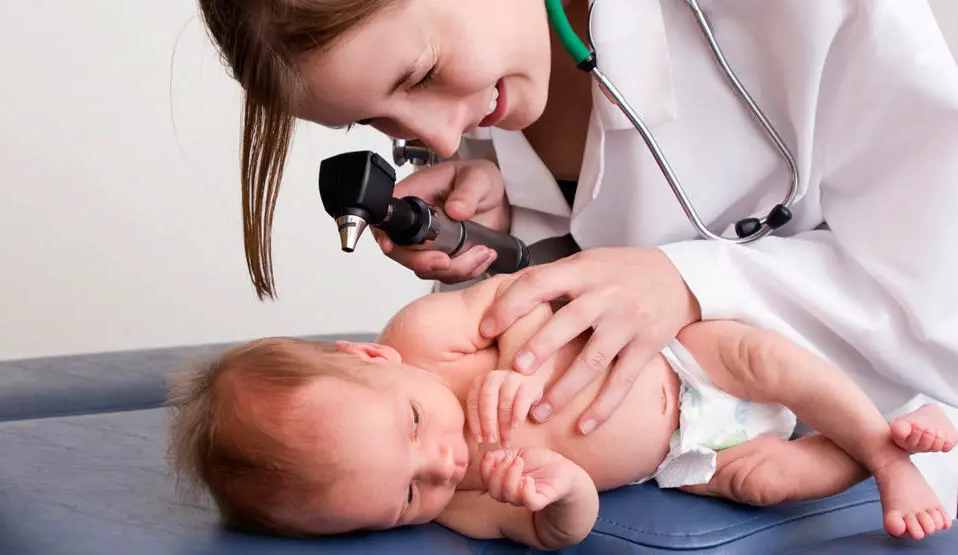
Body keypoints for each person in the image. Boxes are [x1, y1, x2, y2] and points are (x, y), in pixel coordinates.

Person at [196, 0, 958, 515]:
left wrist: (689, 283)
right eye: (377, 118)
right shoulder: (487, 82)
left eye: (420, 75)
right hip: (722, 446)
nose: (435, 136)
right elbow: (520, 376)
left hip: (910, 433)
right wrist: (509, 238)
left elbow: (939, 291)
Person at [167, 274, 955, 546]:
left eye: (412, 423)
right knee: (764, 481)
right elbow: (553, 534)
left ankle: (888, 459)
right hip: (688, 455)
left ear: (372, 358)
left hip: (685, 359)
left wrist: (518, 357)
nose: (441, 461)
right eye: (407, 495)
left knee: (763, 359)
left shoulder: (426, 336)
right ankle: (872, 444)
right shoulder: (467, 506)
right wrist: (560, 489)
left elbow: (539, 293)